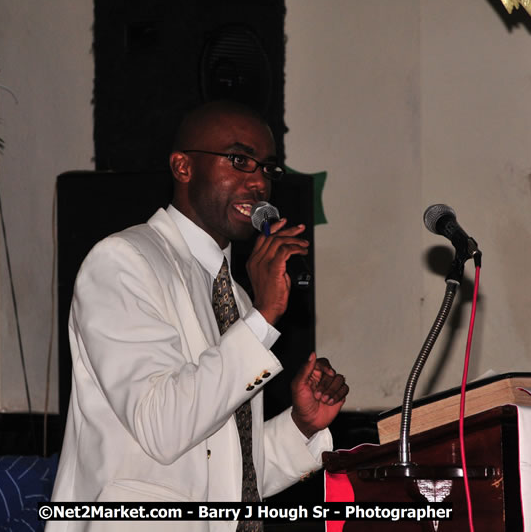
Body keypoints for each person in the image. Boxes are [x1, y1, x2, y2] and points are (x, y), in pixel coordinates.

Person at [48, 100, 349, 532]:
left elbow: (229, 479)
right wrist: (262, 318)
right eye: (239, 161)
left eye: (267, 168)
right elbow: (162, 427)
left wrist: (301, 426)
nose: (259, 182)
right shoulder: (124, 262)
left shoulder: (237, 297)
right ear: (183, 166)